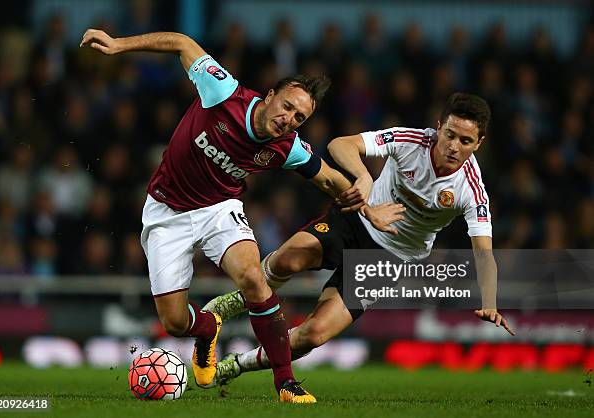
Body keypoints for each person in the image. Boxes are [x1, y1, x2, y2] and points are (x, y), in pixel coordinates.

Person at [80, 29, 365, 403]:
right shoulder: (222, 91)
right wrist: (119, 46)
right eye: (287, 106)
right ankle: (208, 326)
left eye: (300, 117)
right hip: (167, 212)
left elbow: (329, 179)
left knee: (253, 277)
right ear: (270, 95)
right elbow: (182, 42)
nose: (290, 119)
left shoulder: (286, 147)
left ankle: (286, 383)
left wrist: (367, 199)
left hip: (219, 210)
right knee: (174, 322)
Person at [205, 93, 516, 382]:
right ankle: (233, 303)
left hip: (391, 259)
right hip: (356, 221)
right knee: (289, 258)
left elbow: (483, 255)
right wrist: (364, 176)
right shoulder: (410, 141)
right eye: (449, 135)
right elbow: (341, 145)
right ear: (438, 128)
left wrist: (490, 302)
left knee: (313, 335)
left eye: (465, 140)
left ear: (479, 143)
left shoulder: (471, 190)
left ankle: (237, 364)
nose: (453, 146)